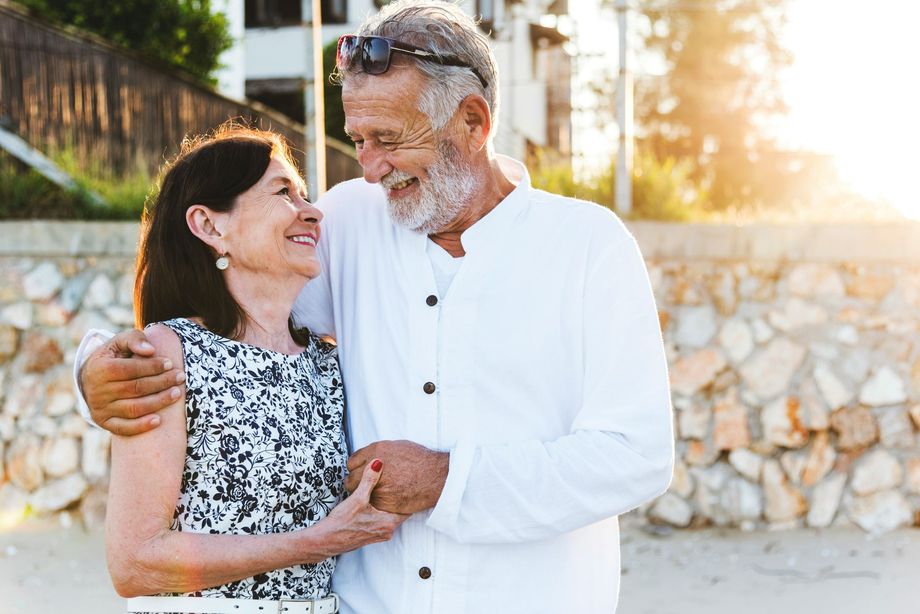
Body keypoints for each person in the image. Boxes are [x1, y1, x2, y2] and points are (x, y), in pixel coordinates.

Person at [77, 1, 674, 612]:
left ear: (473, 122)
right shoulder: (348, 220)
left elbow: (637, 456)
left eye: (388, 139)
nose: (369, 167)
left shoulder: (588, 246)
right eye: (358, 139)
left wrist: (445, 480)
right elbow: (223, 317)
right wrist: (97, 367)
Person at [102, 125, 404, 614]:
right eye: (283, 192)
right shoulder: (169, 353)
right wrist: (317, 541)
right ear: (209, 226)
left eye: (303, 195)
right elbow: (134, 562)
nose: (312, 211)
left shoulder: (327, 364)